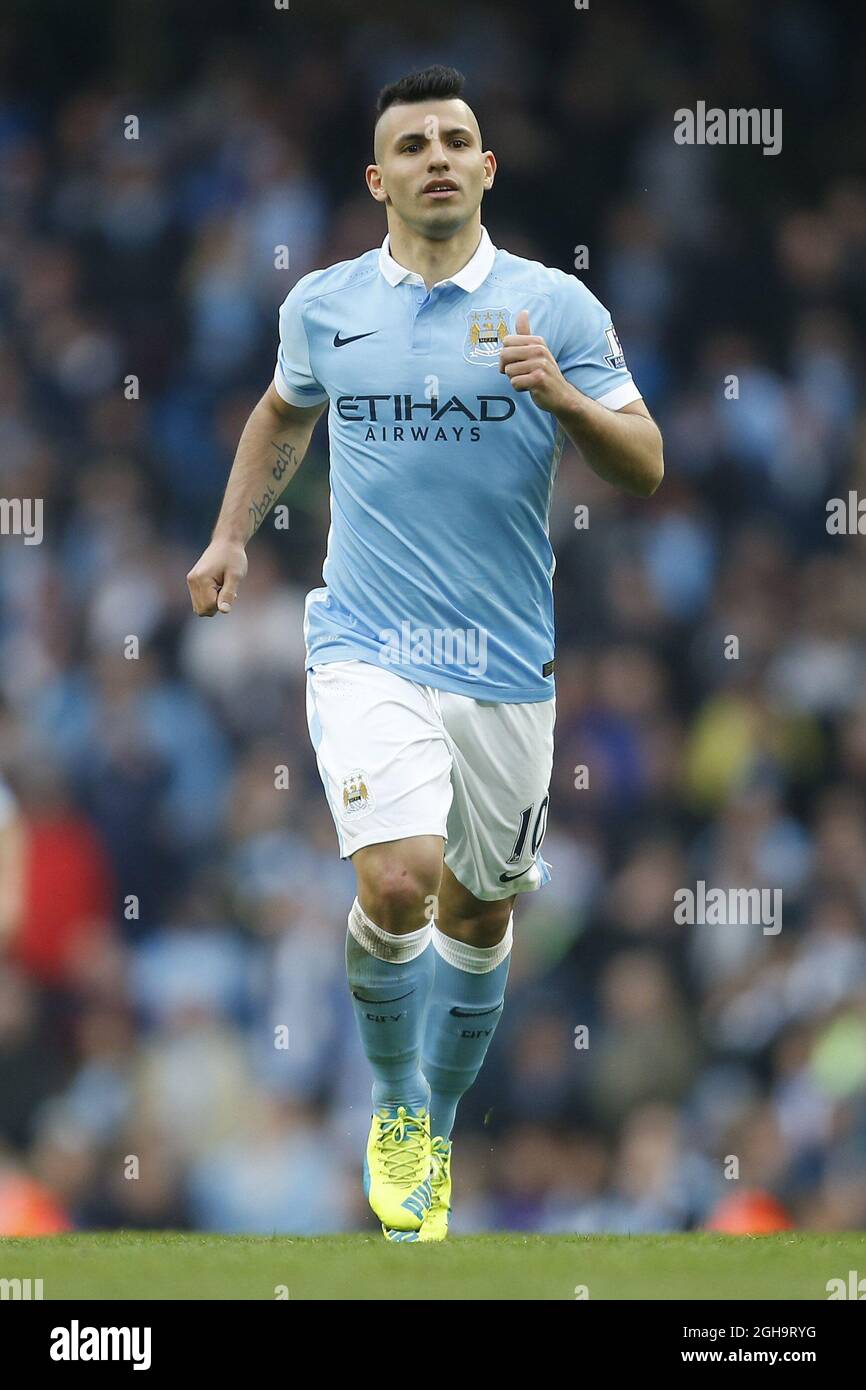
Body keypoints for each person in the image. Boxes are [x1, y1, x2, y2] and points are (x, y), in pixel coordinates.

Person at [187, 64, 663, 1240]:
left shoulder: (555, 308)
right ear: (378, 177)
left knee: (479, 912)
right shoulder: (324, 304)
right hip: (366, 641)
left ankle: (436, 1122)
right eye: (413, 145)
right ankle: (394, 1104)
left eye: (457, 139)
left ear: (487, 168)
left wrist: (563, 398)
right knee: (394, 877)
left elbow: (643, 462)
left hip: (505, 664)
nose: (437, 157)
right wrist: (229, 536)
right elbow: (282, 411)